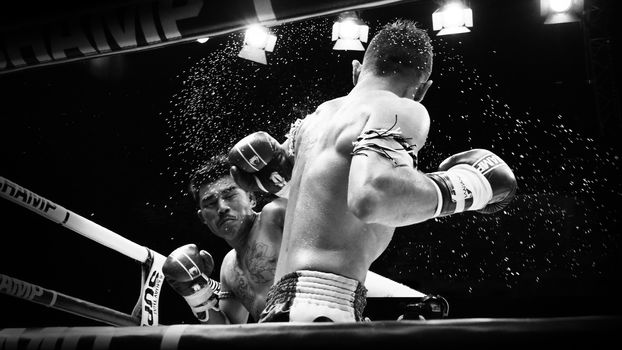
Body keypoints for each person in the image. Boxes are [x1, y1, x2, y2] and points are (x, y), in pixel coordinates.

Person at [228, 19, 517, 323]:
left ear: (356, 70)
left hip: (284, 305)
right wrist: (471, 186)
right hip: (323, 307)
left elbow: (320, 199)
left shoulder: (314, 120)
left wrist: (270, 179)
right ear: (422, 90)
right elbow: (373, 196)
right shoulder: (398, 108)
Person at [162, 155, 444, 324]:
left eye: (230, 194)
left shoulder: (275, 215)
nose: (222, 206)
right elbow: (225, 331)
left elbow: (338, 215)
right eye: (211, 202)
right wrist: (195, 295)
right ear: (202, 217)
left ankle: (442, 191)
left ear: (250, 196)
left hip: (326, 327)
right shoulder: (228, 267)